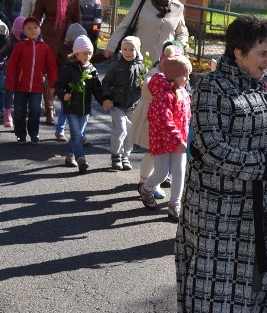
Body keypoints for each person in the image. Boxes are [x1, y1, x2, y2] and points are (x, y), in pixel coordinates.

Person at [176, 15, 267, 313]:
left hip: (256, 202)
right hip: (213, 206)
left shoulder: (263, 85)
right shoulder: (211, 87)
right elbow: (210, 148)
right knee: (211, 280)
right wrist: (262, 163)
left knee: (248, 281)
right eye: (263, 52)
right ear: (238, 52)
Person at [137, 54, 191, 220]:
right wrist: (178, 139)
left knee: (180, 171)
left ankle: (175, 203)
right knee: (161, 172)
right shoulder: (163, 95)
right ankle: (146, 189)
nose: (188, 78)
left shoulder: (183, 92)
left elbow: (188, 115)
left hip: (180, 140)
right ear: (174, 76)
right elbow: (163, 120)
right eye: (185, 75)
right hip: (162, 140)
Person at [131, 41, 184, 199]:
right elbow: (149, 88)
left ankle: (154, 182)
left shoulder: (179, 77)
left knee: (164, 158)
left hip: (171, 123)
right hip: (152, 121)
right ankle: (145, 182)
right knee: (151, 154)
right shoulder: (154, 74)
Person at [32, 0, 82, 125]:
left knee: (67, 72)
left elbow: (77, 18)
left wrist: (80, 38)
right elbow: (37, 15)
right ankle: (49, 110)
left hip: (67, 36)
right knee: (50, 73)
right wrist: (31, 34)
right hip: (49, 34)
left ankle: (67, 109)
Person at [103, 0, 189, 63]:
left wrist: (180, 47)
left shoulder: (178, 7)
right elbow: (125, 25)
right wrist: (111, 47)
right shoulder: (141, 1)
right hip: (139, 56)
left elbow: (182, 32)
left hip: (164, 60)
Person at [4, 17, 57, 144]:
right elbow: (12, 66)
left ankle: (34, 133)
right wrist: (10, 83)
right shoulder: (19, 46)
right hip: (20, 86)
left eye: (35, 27)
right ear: (23, 31)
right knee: (20, 111)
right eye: (29, 28)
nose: (33, 30)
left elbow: (51, 66)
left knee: (35, 111)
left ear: (40, 30)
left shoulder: (44, 47)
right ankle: (20, 134)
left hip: (37, 87)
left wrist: (53, 82)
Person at [55, 36, 102, 172]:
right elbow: (59, 85)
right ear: (76, 53)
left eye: (89, 53)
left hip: (84, 108)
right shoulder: (68, 68)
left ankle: (69, 156)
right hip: (71, 107)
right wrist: (64, 94)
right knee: (76, 135)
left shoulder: (91, 70)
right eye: (84, 53)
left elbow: (97, 88)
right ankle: (81, 159)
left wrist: (104, 100)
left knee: (78, 135)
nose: (87, 56)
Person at [101, 35, 146, 170]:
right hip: (117, 104)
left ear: (137, 50)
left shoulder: (142, 67)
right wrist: (107, 97)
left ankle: (125, 156)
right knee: (120, 129)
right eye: (125, 49)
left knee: (131, 132)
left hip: (134, 106)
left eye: (131, 49)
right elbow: (106, 82)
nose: (127, 52)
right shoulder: (116, 65)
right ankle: (116, 155)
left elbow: (146, 85)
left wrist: (144, 86)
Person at [52, 23, 89, 142]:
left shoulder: (83, 54)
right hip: (68, 87)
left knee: (82, 112)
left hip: (79, 87)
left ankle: (81, 135)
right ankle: (60, 130)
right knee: (65, 110)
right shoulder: (64, 51)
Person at [0, 16, 26, 128]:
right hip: (11, 71)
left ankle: (19, 117)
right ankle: (7, 113)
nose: (19, 37)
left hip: (25, 73)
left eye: (21, 34)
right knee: (8, 92)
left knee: (21, 96)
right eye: (16, 34)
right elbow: (2, 53)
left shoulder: (31, 42)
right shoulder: (11, 41)